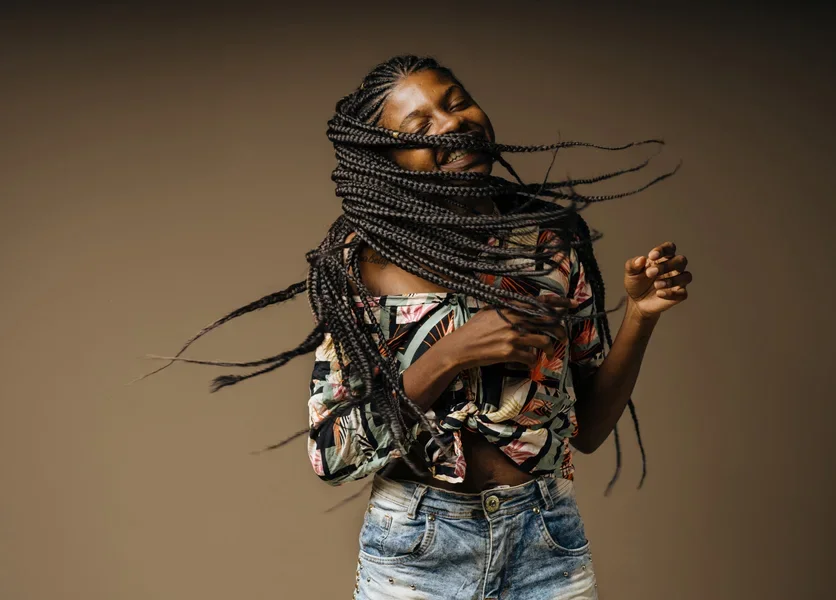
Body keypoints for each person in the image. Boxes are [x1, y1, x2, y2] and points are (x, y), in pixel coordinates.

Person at [138, 55, 690, 600]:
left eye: (455, 103)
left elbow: (588, 431)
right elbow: (334, 455)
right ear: (388, 159)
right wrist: (448, 355)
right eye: (419, 126)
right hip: (420, 554)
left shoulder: (549, 241)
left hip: (546, 540)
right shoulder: (361, 264)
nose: (451, 124)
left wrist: (640, 315)